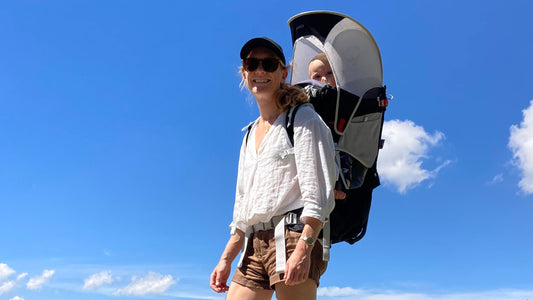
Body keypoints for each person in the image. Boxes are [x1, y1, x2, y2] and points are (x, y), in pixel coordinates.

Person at [210, 37, 337, 300]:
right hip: (253, 243)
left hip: (293, 235)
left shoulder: (303, 118)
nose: (260, 71)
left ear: (283, 73)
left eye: (268, 64)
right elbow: (243, 203)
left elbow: (319, 193)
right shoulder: (249, 134)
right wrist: (226, 259)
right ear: (244, 72)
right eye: (252, 63)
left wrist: (305, 246)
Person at [308, 53, 353, 198]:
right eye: (316, 76)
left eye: (329, 73)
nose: (323, 79)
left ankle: (342, 186)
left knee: (344, 157)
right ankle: (323, 185)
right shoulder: (310, 94)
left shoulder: (344, 94)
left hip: (340, 139)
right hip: (319, 138)